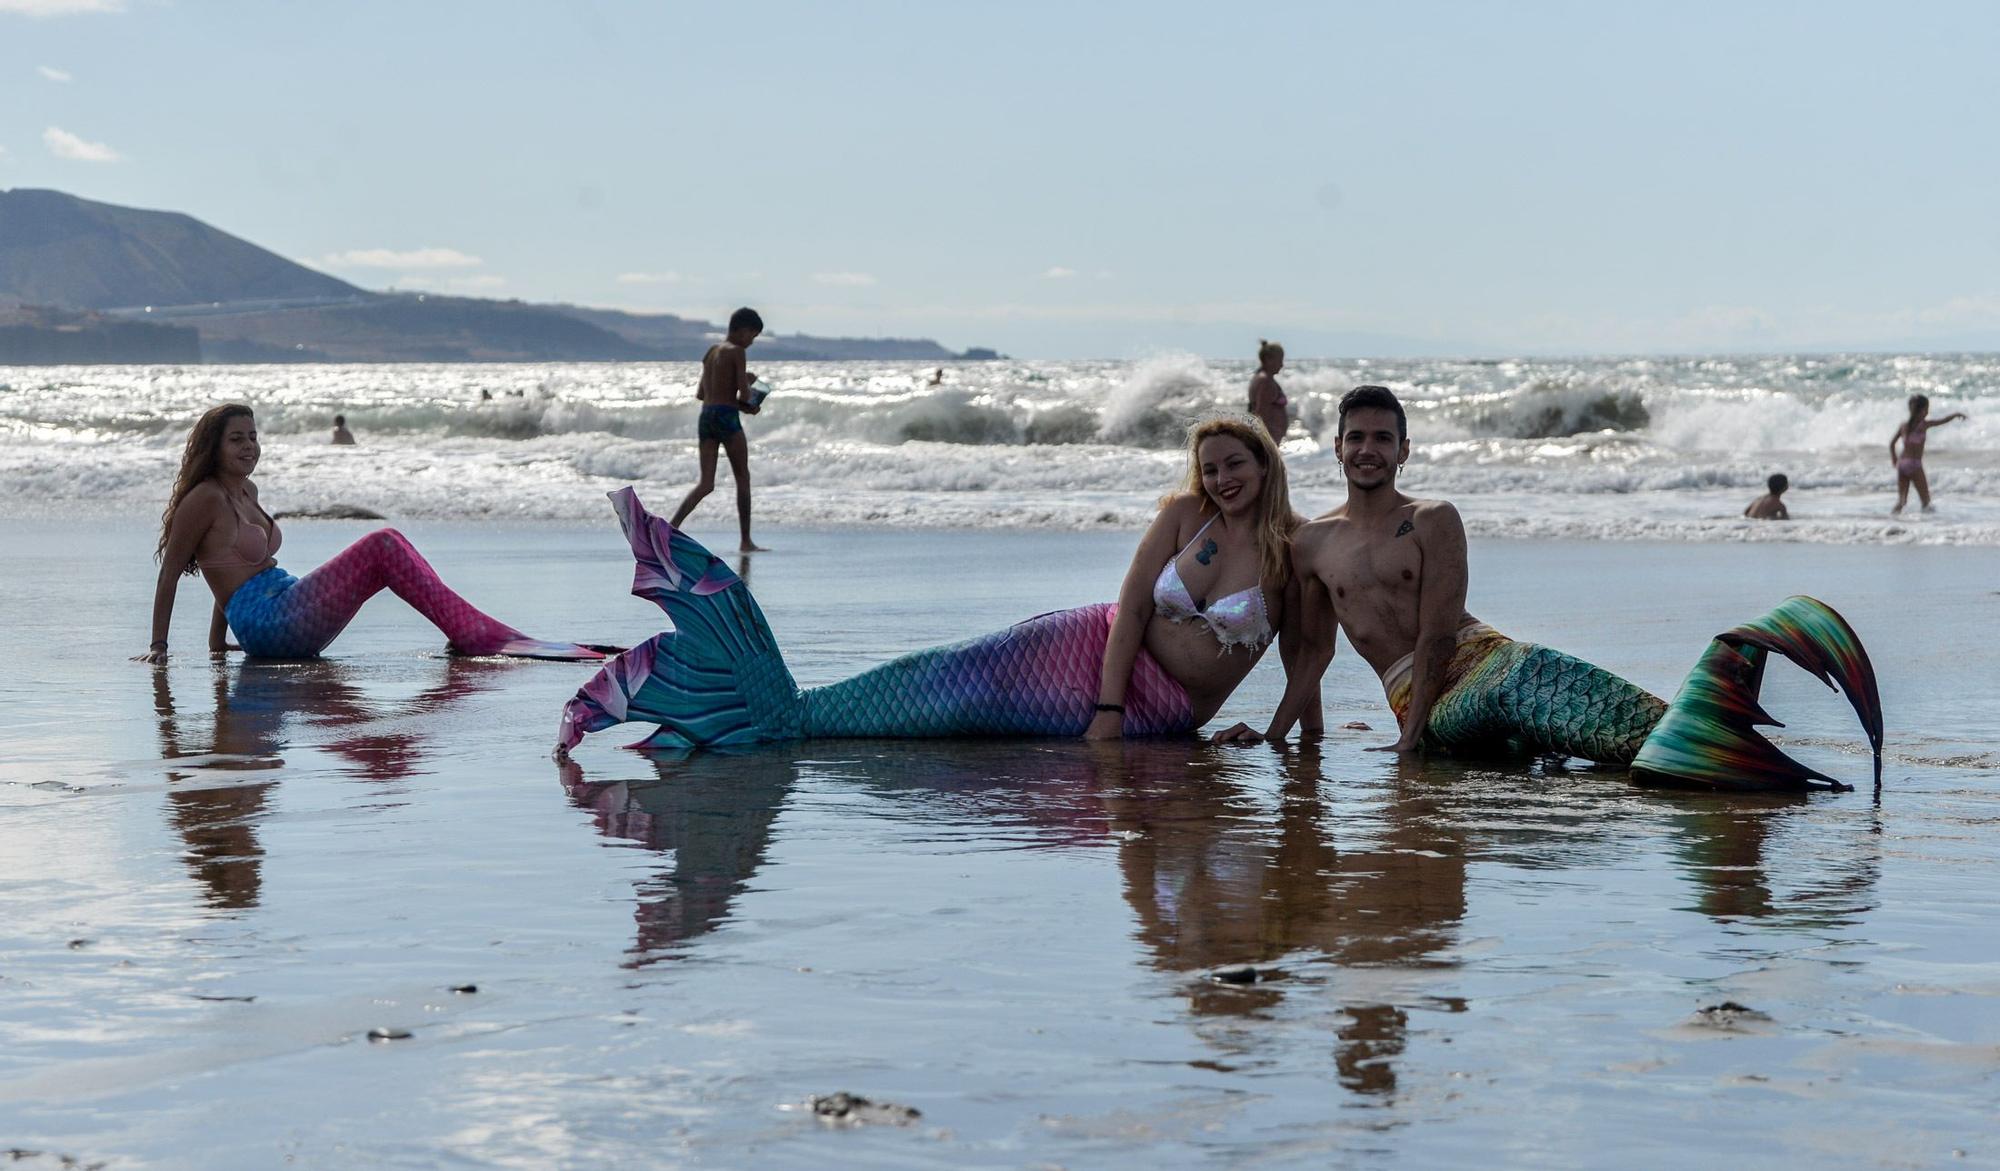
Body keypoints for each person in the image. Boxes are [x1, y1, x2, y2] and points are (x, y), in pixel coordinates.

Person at [1212, 386, 1883, 792]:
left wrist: (1412, 742)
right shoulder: (1311, 545)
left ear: (1404, 450)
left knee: (1557, 698)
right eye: (1355, 437)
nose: (1368, 449)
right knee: (1530, 692)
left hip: (1480, 663)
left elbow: (1440, 631)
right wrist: (1282, 738)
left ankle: (1708, 728)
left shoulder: (1433, 519)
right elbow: (1310, 655)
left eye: (1382, 439)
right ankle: (1707, 734)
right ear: (1334, 447)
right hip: (1428, 696)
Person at [555, 414, 1322, 754]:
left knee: (977, 740)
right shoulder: (1185, 511)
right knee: (950, 686)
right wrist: (1108, 707)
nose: (1222, 477)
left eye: (1236, 464)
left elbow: (1308, 659)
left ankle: (747, 710)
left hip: (1172, 712)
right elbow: (1129, 608)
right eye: (1212, 464)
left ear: (1266, 465)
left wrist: (1292, 736)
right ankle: (767, 714)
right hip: (1089, 651)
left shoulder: (1293, 551)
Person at [137, 404, 606, 664]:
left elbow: (231, 568)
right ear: (213, 446)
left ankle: (469, 629)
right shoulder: (204, 498)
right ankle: (471, 632)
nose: (249, 446)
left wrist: (218, 644)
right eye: (237, 438)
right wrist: (160, 647)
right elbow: (173, 575)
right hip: (269, 625)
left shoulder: (247, 489)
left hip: (278, 608)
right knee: (381, 545)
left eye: (254, 436)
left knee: (392, 541)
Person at [671, 307, 768, 552]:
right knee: (743, 478)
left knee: (706, 483)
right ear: (743, 330)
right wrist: (749, 385)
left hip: (706, 416)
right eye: (752, 336)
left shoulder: (711, 352)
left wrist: (737, 399)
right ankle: (746, 541)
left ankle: (671, 528)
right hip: (726, 418)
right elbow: (744, 395)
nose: (751, 342)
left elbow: (702, 394)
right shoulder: (736, 352)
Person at [1890, 394, 1968, 514]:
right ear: (1922, 410)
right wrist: (1956, 415)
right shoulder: (1924, 424)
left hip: (1902, 464)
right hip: (1914, 465)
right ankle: (1929, 527)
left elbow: (1892, 444)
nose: (1927, 412)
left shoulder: (1903, 426)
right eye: (1927, 409)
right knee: (1926, 502)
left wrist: (1895, 460)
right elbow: (1943, 421)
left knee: (1901, 502)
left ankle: (1891, 521)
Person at [1246, 339, 1289, 444]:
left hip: (1269, 439)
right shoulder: (1265, 381)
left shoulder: (1262, 377)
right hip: (1266, 439)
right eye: (1280, 360)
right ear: (1268, 359)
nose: (1282, 365)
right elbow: (1260, 413)